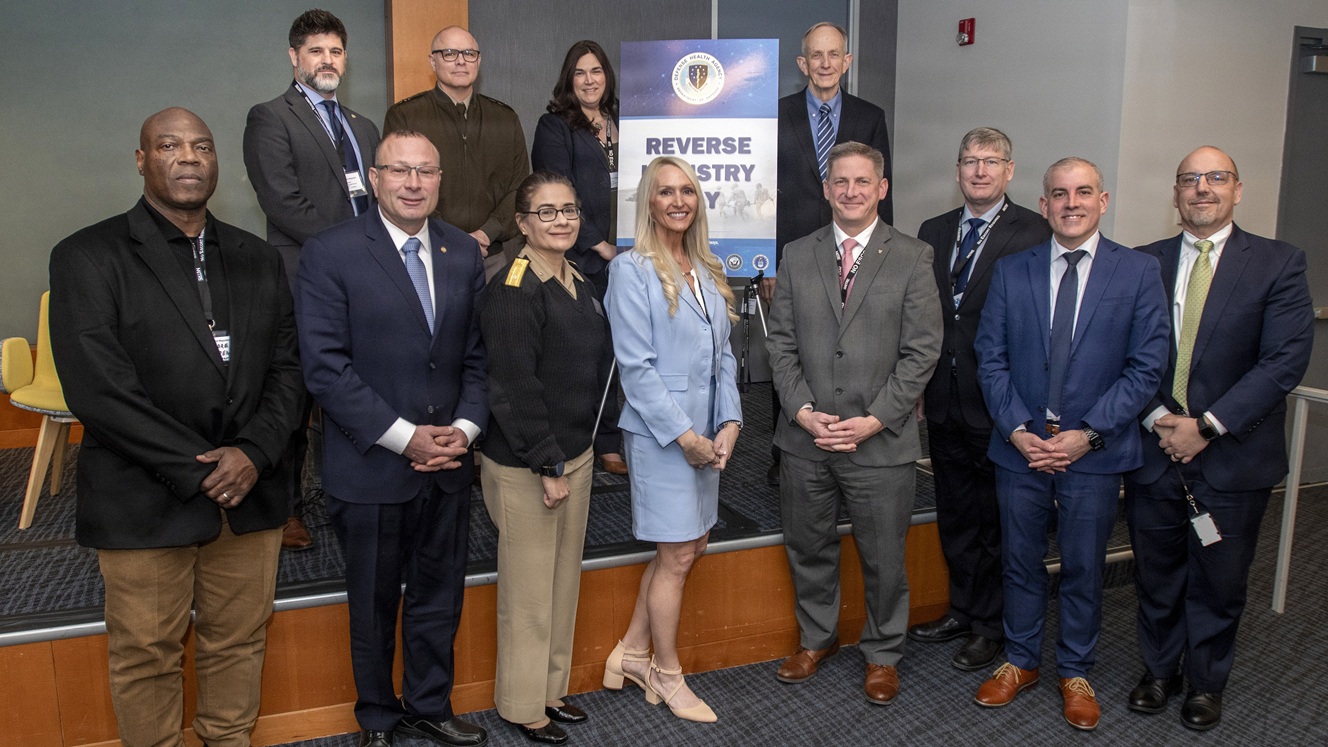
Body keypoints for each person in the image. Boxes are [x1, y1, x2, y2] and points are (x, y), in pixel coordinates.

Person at [48, 107, 304, 747]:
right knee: (147, 655)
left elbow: (289, 369)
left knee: (238, 642)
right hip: (145, 495)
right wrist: (204, 468)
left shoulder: (257, 258)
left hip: (250, 492)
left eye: (202, 146)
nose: (189, 157)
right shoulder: (87, 255)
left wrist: (251, 452)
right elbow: (99, 391)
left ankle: (228, 738)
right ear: (142, 160)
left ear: (217, 162)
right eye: (169, 145)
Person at [296, 130, 488, 747]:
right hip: (372, 466)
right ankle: (376, 717)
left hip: (450, 464)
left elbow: (478, 361)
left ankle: (430, 704)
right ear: (374, 178)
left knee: (439, 597)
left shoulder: (462, 251)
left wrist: (460, 431)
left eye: (425, 172)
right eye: (399, 171)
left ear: (439, 180)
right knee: (373, 604)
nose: (413, 183)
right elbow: (326, 368)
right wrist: (406, 439)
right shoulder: (330, 252)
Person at [973, 157, 1169, 731]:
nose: (1071, 202)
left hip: (1096, 451)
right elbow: (992, 360)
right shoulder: (1014, 271)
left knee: (1085, 565)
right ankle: (1020, 660)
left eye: (1083, 192)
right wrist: (1016, 429)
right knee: (1020, 561)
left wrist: (1088, 435)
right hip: (1021, 447)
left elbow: (1145, 365)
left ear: (1103, 201)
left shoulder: (1137, 272)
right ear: (1044, 205)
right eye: (1059, 194)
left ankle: (1076, 670)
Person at [1124, 146, 1313, 731]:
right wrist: (1159, 417)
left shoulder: (1278, 263)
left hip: (1232, 453)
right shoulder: (1140, 263)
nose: (1201, 188)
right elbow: (1121, 353)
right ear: (1175, 194)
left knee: (1220, 579)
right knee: (1156, 574)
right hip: (1156, 449)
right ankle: (1159, 671)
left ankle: (1206, 682)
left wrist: (1206, 426)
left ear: (1237, 189)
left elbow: (1284, 361)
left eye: (1215, 178)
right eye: (1189, 179)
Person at [766, 141, 941, 705]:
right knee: (808, 545)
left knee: (884, 557)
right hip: (806, 438)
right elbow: (781, 345)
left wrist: (873, 420)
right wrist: (802, 413)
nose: (851, 191)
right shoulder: (796, 254)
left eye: (862, 182)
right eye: (840, 182)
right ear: (826, 189)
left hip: (879, 442)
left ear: (882, 189)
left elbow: (922, 352)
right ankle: (817, 639)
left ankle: (883, 653)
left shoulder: (913, 256)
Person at [601, 156, 742, 724]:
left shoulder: (705, 268)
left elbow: (724, 358)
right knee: (678, 552)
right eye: (666, 192)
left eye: (687, 190)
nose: (678, 200)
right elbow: (636, 369)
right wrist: (686, 438)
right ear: (649, 202)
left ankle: (632, 653)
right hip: (664, 438)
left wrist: (730, 424)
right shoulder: (631, 270)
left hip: (709, 435)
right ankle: (666, 670)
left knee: (689, 547)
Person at [907, 127, 1050, 671]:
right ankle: (963, 609)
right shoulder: (934, 230)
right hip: (942, 398)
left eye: (991, 161)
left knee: (996, 521)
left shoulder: (1035, 231)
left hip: (1002, 401)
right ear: (958, 170)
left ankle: (992, 624)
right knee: (956, 513)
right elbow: (927, 316)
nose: (980, 171)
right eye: (970, 161)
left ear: (1010, 170)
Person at [478, 171, 613, 745]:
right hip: (531, 463)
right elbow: (511, 386)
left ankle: (551, 689)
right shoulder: (514, 287)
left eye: (569, 210)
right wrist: (546, 462)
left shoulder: (574, 275)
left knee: (561, 583)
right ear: (522, 223)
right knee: (529, 594)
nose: (561, 220)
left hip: (573, 454)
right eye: (547, 212)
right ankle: (520, 704)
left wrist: (574, 456)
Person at [243, 7, 381, 551]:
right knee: (296, 398)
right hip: (304, 276)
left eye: (336, 51)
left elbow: (381, 201)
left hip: (367, 279)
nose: (328, 60)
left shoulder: (364, 127)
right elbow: (283, 203)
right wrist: (354, 252)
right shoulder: (270, 117)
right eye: (317, 50)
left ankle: (351, 490)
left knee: (359, 389)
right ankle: (286, 509)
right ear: (295, 57)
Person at [764, 21, 893, 486]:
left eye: (833, 54)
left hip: (857, 247)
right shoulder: (775, 114)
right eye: (815, 55)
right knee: (793, 349)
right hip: (794, 257)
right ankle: (790, 452)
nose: (824, 63)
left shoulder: (870, 115)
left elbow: (882, 192)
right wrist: (771, 263)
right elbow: (762, 194)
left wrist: (884, 259)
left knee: (851, 348)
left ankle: (849, 444)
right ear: (803, 64)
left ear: (847, 62)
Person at [530, 39, 627, 476]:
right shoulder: (556, 127)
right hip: (585, 258)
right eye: (580, 73)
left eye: (597, 72)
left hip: (633, 255)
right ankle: (588, 440)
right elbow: (555, 192)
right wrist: (598, 243)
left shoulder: (626, 121)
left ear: (607, 77)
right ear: (569, 80)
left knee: (624, 350)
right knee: (586, 352)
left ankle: (611, 434)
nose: (589, 80)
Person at [384, 25, 530, 279]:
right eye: (449, 53)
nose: (461, 61)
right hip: (430, 252)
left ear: (479, 60)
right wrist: (453, 237)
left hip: (495, 253)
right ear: (433, 61)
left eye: (469, 54)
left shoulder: (504, 118)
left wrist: (486, 234)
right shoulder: (405, 116)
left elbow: (519, 188)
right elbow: (400, 187)